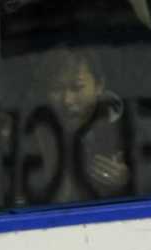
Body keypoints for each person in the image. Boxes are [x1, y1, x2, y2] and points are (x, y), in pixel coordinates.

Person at [18, 45, 130, 204]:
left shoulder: (130, 133)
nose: (67, 100)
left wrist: (127, 180)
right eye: (57, 88)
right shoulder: (30, 139)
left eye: (77, 87)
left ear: (99, 86)